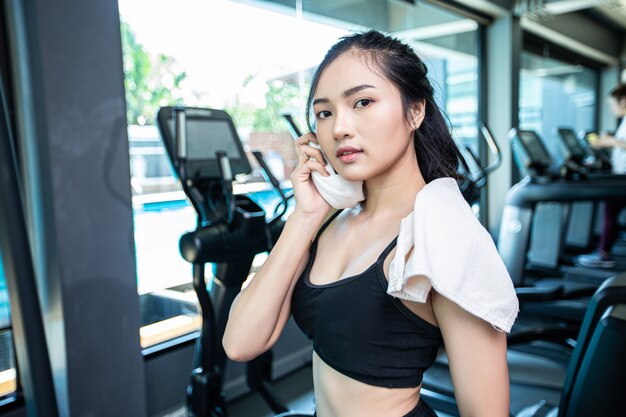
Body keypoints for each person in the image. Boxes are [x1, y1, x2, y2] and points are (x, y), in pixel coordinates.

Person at [223, 30, 517, 417]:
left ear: (415, 111)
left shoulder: (440, 238)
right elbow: (241, 343)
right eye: (324, 112)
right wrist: (307, 215)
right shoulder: (329, 222)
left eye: (362, 102)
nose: (339, 127)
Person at [577, 83, 626, 269]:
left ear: (623, 100)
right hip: (620, 176)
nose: (612, 108)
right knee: (610, 211)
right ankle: (603, 252)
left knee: (610, 211)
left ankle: (604, 254)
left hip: (623, 179)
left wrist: (610, 141)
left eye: (613, 104)